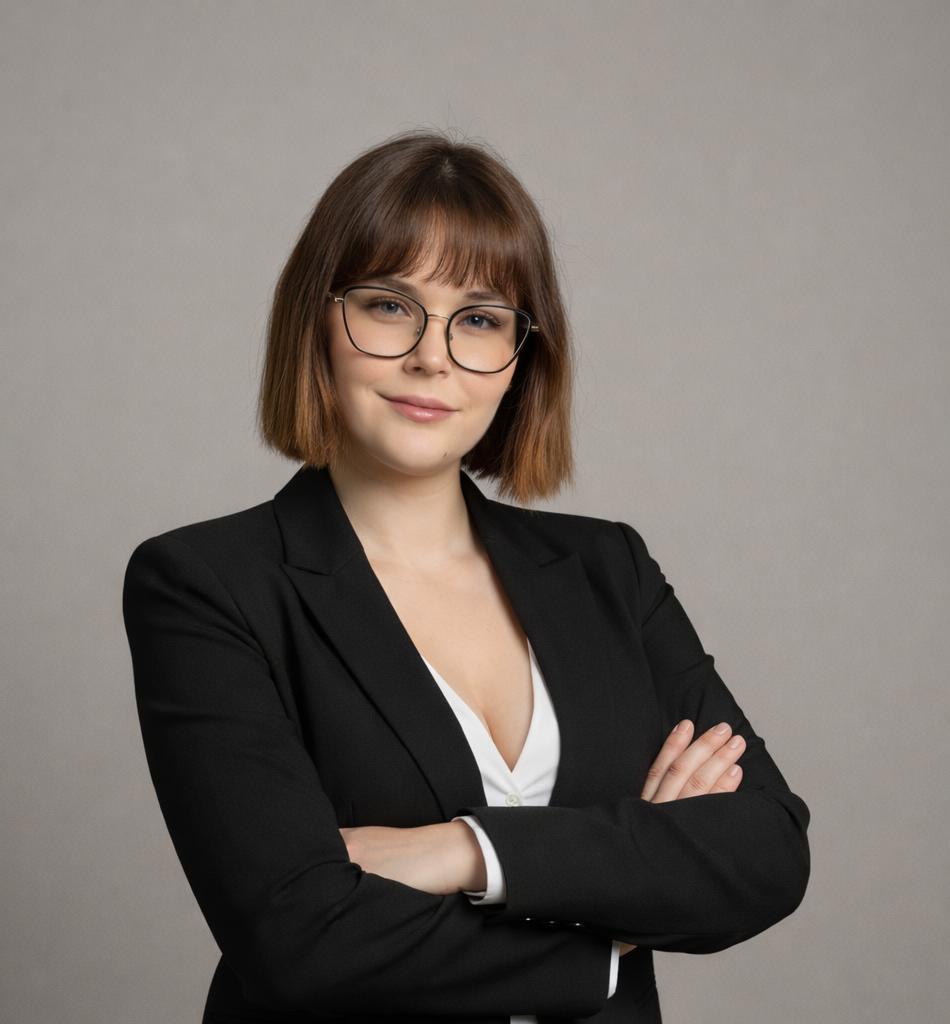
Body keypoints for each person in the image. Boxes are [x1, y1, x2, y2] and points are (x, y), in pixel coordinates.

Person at [123, 132, 810, 1024]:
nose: (433, 357)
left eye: (480, 319)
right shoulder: (207, 585)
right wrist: (621, 910)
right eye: (389, 306)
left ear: (523, 356)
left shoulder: (607, 569)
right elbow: (298, 939)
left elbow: (766, 850)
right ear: (316, 321)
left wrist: (465, 852)